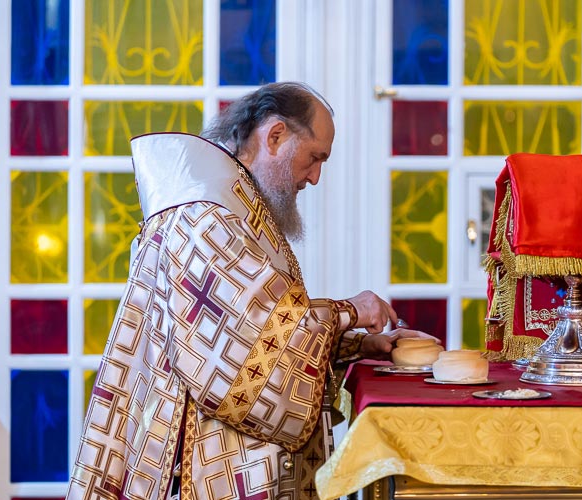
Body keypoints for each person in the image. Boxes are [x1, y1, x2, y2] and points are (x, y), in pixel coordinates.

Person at [66, 82, 436, 500]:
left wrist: (357, 344)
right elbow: (240, 355)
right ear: (275, 135)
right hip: (201, 463)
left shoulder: (233, 203)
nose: (315, 177)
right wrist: (349, 310)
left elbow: (263, 332)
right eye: (315, 157)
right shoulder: (203, 214)